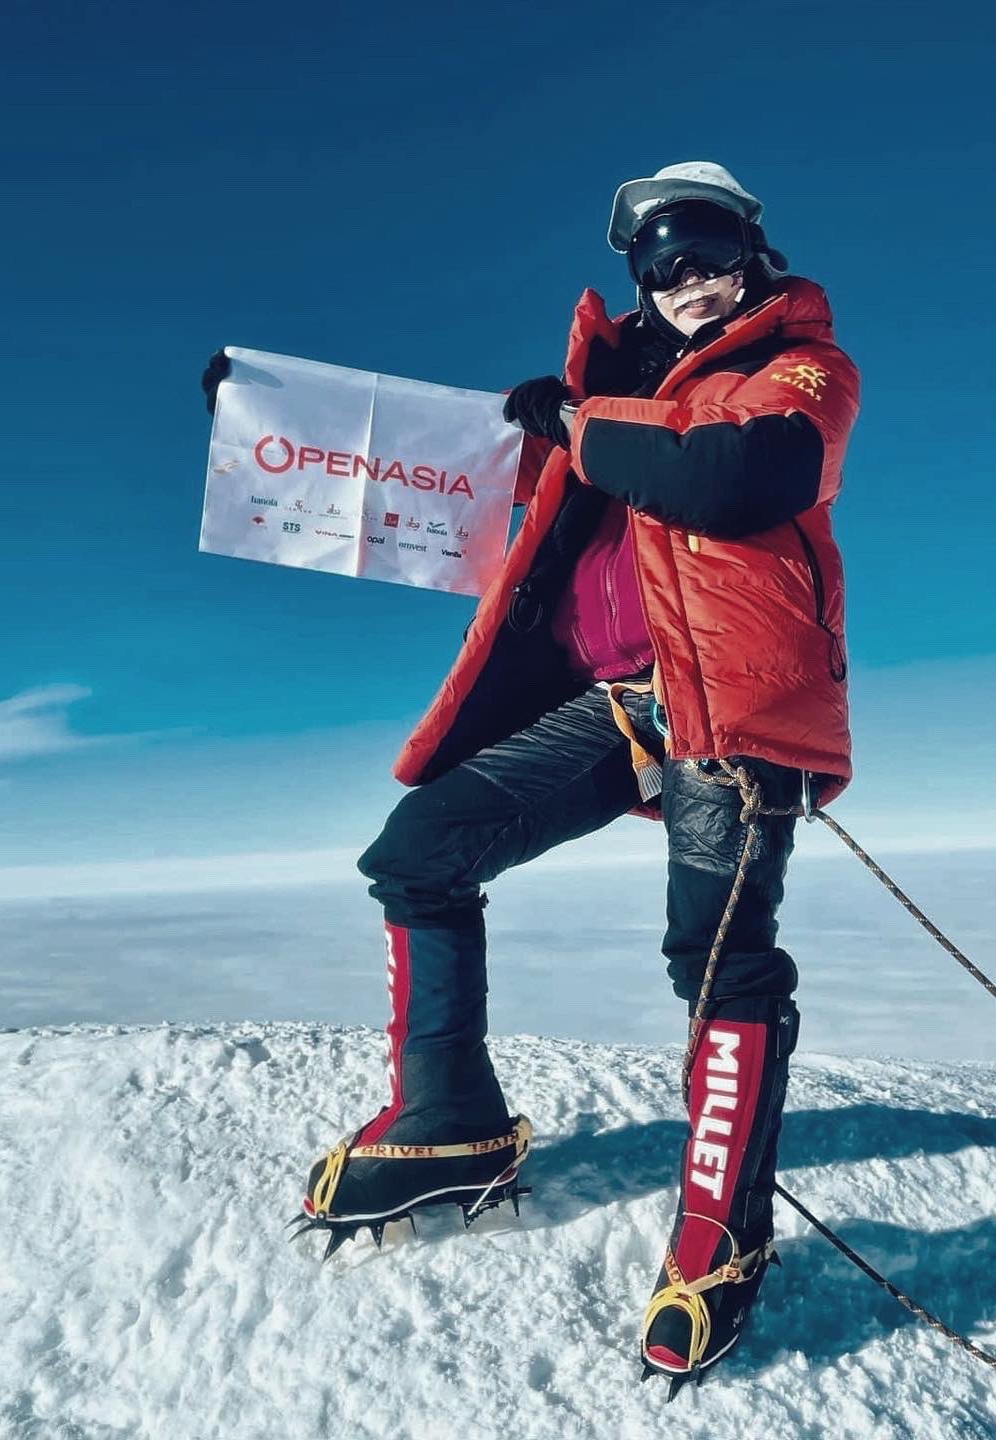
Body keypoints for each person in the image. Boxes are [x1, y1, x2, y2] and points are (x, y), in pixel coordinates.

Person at [204, 160, 859, 1393]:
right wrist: (260, 423)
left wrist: (574, 419)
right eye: (655, 263)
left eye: (705, 246)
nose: (682, 279)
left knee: (718, 959)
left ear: (754, 251)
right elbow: (449, 477)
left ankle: (723, 1239)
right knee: (420, 852)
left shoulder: (801, 369)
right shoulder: (609, 405)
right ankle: (450, 1122)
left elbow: (740, 477)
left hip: (729, 709)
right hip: (615, 707)